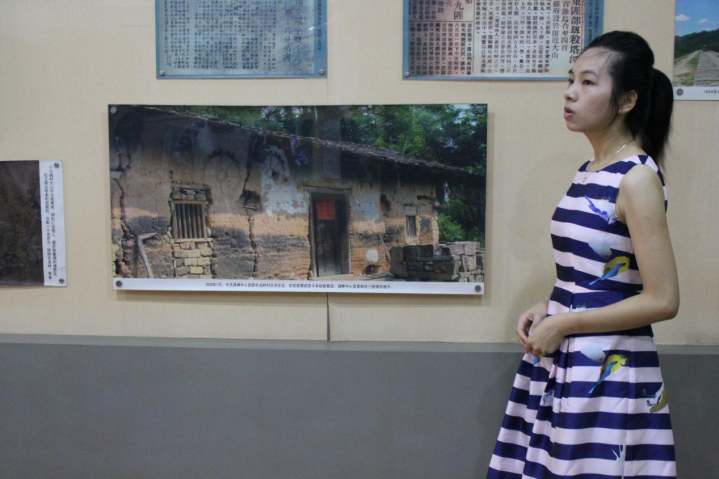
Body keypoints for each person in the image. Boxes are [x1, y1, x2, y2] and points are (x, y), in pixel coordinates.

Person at [487, 31, 679, 478]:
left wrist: (565, 322)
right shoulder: (589, 170)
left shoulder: (636, 178)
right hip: (566, 360)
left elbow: (663, 299)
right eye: (571, 80)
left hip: (607, 368)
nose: (571, 92)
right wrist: (547, 305)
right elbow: (590, 273)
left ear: (627, 100)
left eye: (588, 82)